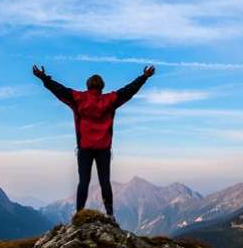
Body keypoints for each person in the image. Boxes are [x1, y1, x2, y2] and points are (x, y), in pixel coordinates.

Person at [32, 64, 155, 219]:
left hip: (84, 148)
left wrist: (43, 77)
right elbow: (129, 90)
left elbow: (59, 89)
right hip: (103, 148)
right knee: (105, 181)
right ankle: (110, 214)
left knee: (84, 181)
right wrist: (144, 77)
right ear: (102, 87)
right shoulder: (110, 100)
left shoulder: (78, 98)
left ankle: (79, 214)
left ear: (87, 85)